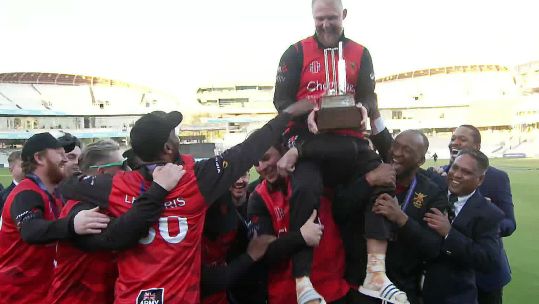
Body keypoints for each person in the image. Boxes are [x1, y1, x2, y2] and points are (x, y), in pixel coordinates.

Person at [59, 102, 313, 303]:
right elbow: (248, 149)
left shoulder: (116, 185)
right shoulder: (196, 180)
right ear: (169, 147)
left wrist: (73, 222)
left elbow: (68, 185)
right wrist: (287, 113)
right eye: (175, 134)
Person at [273, 0, 404, 302]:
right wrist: (307, 111)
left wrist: (362, 108)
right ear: (312, 17)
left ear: (343, 15)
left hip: (348, 140)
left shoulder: (360, 52)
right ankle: (302, 280)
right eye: (320, 18)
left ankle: (375, 274)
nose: (326, 24)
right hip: (309, 137)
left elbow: (370, 97)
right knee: (305, 189)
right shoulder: (295, 53)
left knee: (383, 178)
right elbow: (281, 101)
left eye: (332, 18)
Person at [49, 140, 184, 304]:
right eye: (122, 165)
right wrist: (159, 190)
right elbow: (118, 236)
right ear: (101, 172)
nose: (127, 170)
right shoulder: (82, 209)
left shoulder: (110, 202)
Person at [0, 133, 111, 303]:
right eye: (60, 154)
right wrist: (72, 225)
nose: (65, 160)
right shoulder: (26, 193)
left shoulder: (55, 195)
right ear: (39, 158)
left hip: (41, 291)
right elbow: (31, 231)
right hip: (17, 294)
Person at [248, 144, 350, 304]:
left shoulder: (317, 177)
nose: (261, 167)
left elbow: (348, 147)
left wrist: (300, 150)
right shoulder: (258, 198)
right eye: (255, 163)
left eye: (266, 158)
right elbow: (264, 254)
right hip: (288, 296)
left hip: (332, 291)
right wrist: (301, 237)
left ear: (283, 151)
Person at [425, 125, 515, 303]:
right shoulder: (436, 175)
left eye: (462, 139)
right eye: (453, 139)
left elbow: (509, 223)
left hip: (484, 278)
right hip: (446, 278)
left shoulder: (497, 178)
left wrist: (481, 219)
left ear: (477, 146)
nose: (455, 143)